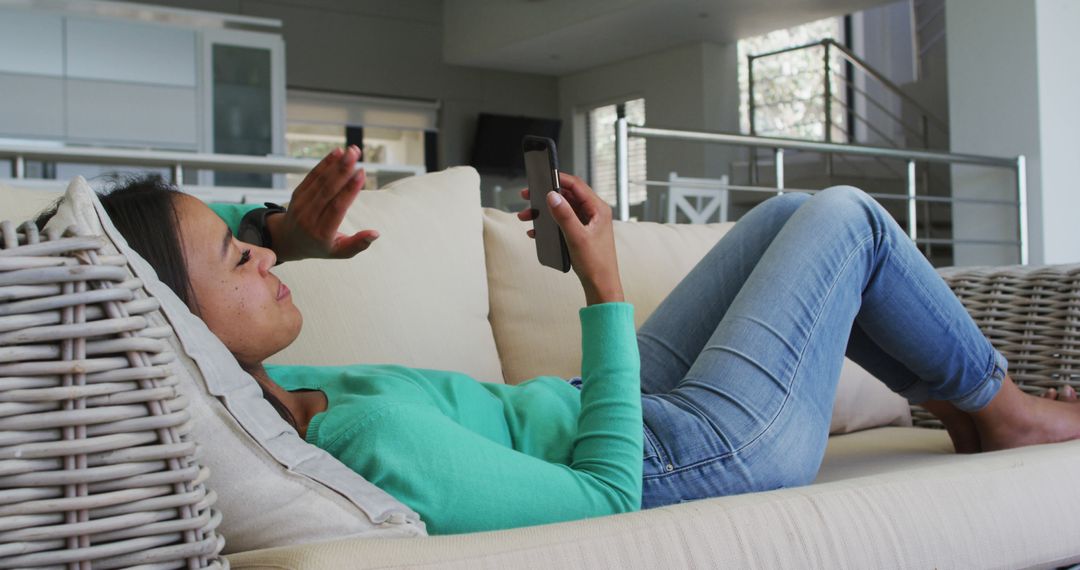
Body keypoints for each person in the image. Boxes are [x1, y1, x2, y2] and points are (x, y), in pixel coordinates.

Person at [41, 145, 1080, 534]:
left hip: (605, 409)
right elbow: (608, 500)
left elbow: (177, 315)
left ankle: (965, 401)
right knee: (843, 216)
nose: (261, 257)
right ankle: (1006, 411)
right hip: (679, 458)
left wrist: (281, 239)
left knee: (775, 223)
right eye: (239, 258)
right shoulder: (364, 447)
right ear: (181, 322)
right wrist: (605, 287)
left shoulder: (280, 396)